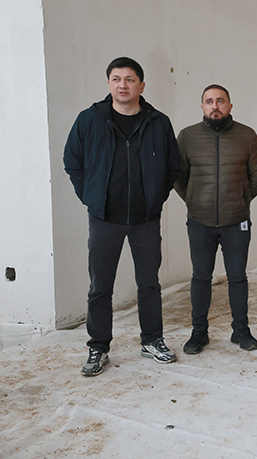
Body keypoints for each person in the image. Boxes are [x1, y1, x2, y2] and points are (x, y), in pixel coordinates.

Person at [64, 57, 180, 376]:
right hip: (105, 219)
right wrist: (91, 197)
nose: (122, 85)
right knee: (100, 287)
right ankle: (98, 347)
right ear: (109, 84)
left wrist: (156, 197)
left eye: (129, 79)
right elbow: (72, 161)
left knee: (149, 284)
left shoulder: (158, 122)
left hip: (145, 219)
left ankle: (152, 340)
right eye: (116, 79)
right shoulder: (90, 119)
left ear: (141, 85)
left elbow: (173, 166)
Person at [174, 84, 257, 354]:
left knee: (237, 277)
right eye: (209, 101)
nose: (215, 106)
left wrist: (240, 199)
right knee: (200, 278)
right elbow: (178, 176)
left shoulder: (247, 135)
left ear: (230, 105)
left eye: (220, 101)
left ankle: (241, 330)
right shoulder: (187, 136)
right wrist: (194, 200)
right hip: (199, 221)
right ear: (202, 106)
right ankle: (199, 333)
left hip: (236, 221)